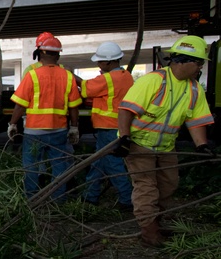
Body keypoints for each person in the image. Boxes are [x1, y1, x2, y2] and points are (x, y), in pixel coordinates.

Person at [115, 36, 215, 247]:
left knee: (168, 185)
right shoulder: (153, 80)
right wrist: (124, 138)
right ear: (182, 61)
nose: (200, 68)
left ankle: (155, 224)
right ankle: (149, 233)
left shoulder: (194, 89)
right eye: (198, 63)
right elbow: (126, 110)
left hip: (166, 146)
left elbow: (196, 121)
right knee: (146, 188)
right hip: (139, 144)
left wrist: (202, 146)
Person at [7, 33, 82, 201]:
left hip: (34, 132)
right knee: (59, 166)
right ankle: (58, 200)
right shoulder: (68, 76)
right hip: (59, 130)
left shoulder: (32, 75)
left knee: (32, 167)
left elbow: (20, 105)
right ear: (58, 55)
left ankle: (32, 200)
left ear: (40, 53)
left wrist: (12, 124)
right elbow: (74, 107)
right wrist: (74, 127)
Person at [80, 42, 134, 209]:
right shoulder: (126, 76)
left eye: (100, 62)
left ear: (109, 62)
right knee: (98, 163)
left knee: (113, 164)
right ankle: (90, 196)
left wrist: (70, 76)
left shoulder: (109, 78)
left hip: (109, 127)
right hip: (116, 126)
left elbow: (86, 90)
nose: (98, 65)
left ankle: (127, 200)